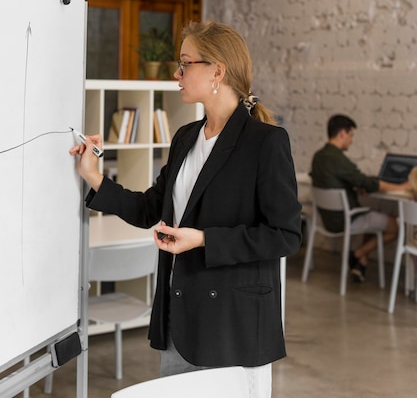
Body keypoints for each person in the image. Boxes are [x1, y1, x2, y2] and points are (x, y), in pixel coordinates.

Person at [70, 20, 302, 398]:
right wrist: (94, 176)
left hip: (233, 325)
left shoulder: (266, 142)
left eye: (185, 64)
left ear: (217, 71)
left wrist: (204, 240)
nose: (177, 74)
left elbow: (286, 235)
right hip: (180, 315)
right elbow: (150, 208)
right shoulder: (185, 138)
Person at [310, 114, 412, 283]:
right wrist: (402, 187)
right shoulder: (338, 159)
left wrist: (354, 186)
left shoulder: (318, 157)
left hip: (327, 219)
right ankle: (358, 254)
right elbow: (368, 183)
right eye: (351, 136)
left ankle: (360, 262)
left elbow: (331, 180)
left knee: (372, 217)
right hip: (346, 220)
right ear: (342, 133)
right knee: (395, 225)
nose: (351, 141)